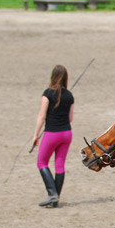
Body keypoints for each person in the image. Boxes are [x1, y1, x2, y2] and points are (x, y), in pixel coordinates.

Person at [32, 64, 74, 208]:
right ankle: (55, 199)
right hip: (67, 134)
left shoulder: (47, 93)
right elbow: (70, 118)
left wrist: (36, 134)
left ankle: (52, 193)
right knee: (59, 165)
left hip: (52, 133)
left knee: (42, 162)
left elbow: (42, 115)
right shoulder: (69, 95)